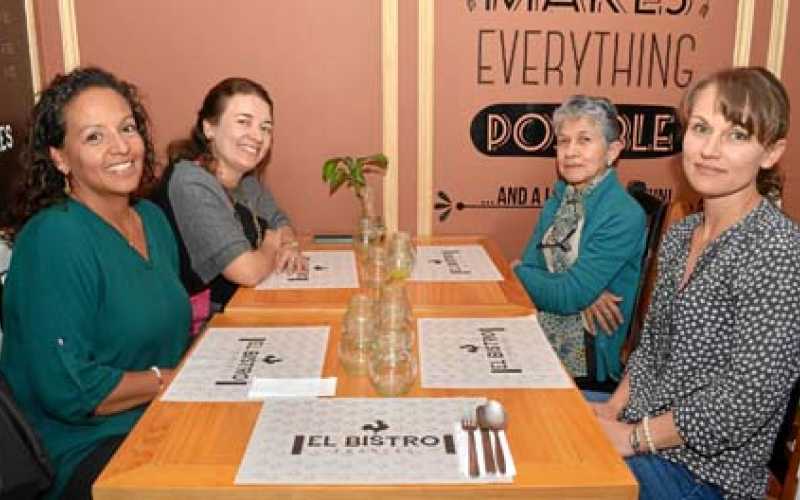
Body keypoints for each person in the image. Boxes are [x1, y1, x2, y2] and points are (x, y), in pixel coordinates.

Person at [590, 67, 800, 499]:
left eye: (737, 135)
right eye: (701, 128)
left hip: (706, 478)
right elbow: (651, 349)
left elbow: (745, 402)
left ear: (771, 152)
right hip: (641, 429)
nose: (709, 150)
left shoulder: (778, 249)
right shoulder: (683, 233)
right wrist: (611, 409)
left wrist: (632, 438)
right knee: (532, 421)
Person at [0, 67, 190, 499]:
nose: (120, 146)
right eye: (94, 137)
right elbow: (71, 389)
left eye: (127, 128)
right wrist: (168, 380)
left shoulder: (153, 220)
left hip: (161, 418)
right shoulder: (54, 237)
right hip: (82, 451)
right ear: (60, 158)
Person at [514, 95, 646, 389]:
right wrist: (582, 291)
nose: (571, 152)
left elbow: (564, 295)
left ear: (612, 151)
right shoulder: (562, 196)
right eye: (563, 141)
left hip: (590, 354)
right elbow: (535, 266)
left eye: (585, 140)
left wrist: (515, 271)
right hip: (545, 322)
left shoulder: (623, 213)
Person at [153, 77, 304, 327]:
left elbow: (279, 220)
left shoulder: (247, 181)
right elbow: (247, 271)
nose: (257, 136)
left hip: (239, 308)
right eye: (244, 122)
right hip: (194, 327)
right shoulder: (191, 181)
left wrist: (288, 244)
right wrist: (271, 245)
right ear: (209, 128)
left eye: (265, 128)